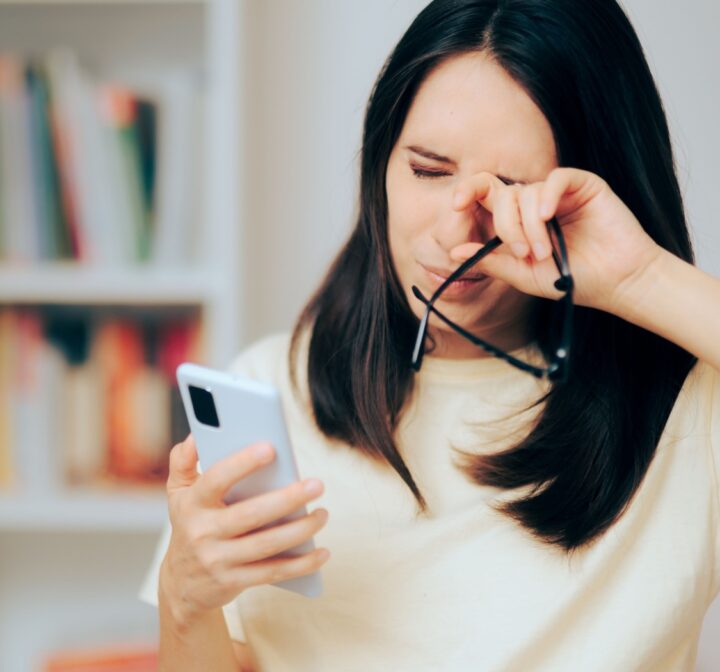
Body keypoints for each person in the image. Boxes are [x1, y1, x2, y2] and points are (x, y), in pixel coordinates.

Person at [138, 0, 720, 669]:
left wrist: (639, 276)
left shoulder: (688, 409)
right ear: (379, 164)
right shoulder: (270, 392)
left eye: (512, 188)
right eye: (427, 169)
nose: (456, 232)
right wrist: (186, 601)